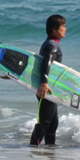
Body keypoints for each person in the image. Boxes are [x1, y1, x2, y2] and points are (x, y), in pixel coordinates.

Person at [30, 14, 66, 146]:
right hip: (46, 88)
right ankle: (33, 149)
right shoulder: (52, 46)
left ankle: (49, 155)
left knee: (52, 124)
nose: (65, 29)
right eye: (63, 26)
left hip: (49, 89)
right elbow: (46, 63)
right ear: (54, 29)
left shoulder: (48, 43)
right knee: (45, 123)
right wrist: (44, 82)